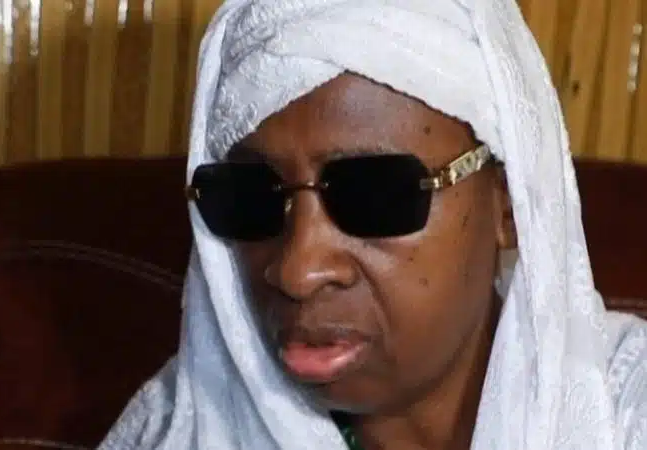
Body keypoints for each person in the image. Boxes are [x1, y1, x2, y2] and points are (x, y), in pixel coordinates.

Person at [99, 0, 647, 449]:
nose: (297, 271)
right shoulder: (180, 426)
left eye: (375, 195)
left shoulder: (628, 413)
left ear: (508, 204)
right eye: (249, 196)